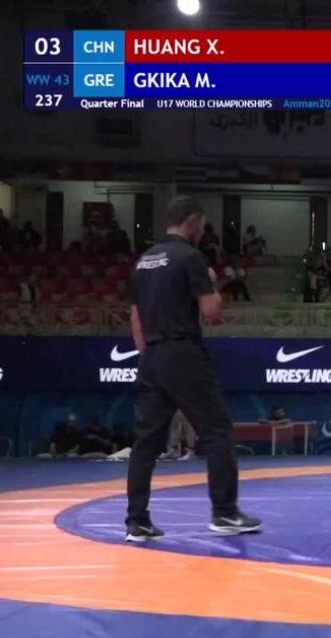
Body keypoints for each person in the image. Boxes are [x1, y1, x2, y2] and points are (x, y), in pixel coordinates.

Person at [124, 195, 261, 543]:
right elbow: (212, 312)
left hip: (150, 355)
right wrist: (213, 282)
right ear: (193, 220)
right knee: (216, 430)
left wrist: (149, 354)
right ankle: (224, 513)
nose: (203, 229)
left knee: (146, 443)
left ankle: (136, 521)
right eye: (202, 223)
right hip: (182, 352)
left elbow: (135, 316)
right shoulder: (190, 257)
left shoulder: (144, 261)